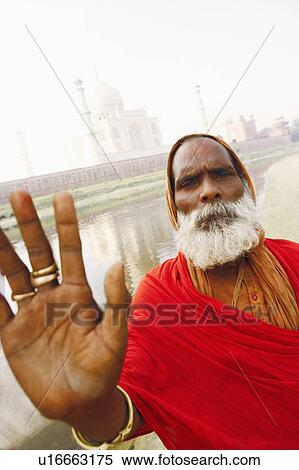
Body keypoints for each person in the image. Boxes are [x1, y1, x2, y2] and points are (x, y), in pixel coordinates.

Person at [0, 133, 299, 450]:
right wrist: (87, 408)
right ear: (174, 207)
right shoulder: (160, 294)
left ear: (246, 186)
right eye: (189, 182)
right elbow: (132, 406)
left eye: (222, 174)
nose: (209, 191)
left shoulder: (292, 261)